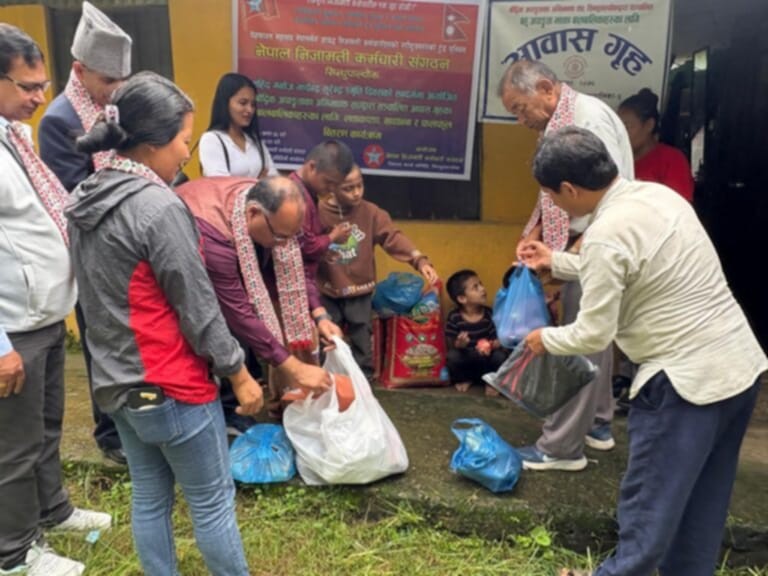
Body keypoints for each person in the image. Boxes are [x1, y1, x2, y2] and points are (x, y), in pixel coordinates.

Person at [521, 126, 767, 576]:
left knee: (647, 517)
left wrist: (544, 339)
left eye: (552, 196)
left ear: (571, 189)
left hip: (684, 385)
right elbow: (632, 264)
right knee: (701, 507)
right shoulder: (657, 198)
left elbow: (593, 334)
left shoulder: (605, 236)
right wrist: (556, 262)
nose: (554, 204)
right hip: (738, 369)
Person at [66, 71, 264, 576]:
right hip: (172, 384)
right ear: (153, 143)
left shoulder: (86, 197)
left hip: (118, 385)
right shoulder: (157, 207)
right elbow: (196, 305)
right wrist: (238, 372)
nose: (185, 153)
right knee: (212, 503)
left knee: (151, 497)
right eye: (182, 141)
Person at [0, 23, 110, 576]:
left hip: (42, 316)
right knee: (13, 449)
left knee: (45, 430)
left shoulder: (14, 136)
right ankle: (14, 555)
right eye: (26, 86)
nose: (39, 97)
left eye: (41, 84)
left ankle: (53, 512)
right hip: (11, 327)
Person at [498, 59, 634, 470]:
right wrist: (537, 233)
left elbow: (594, 199)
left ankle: (560, 447)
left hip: (593, 242)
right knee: (596, 336)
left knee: (580, 337)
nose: (521, 119)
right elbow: (556, 193)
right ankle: (597, 424)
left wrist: (568, 254)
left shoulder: (585, 121)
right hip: (582, 242)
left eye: (520, 108)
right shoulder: (562, 119)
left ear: (545, 87)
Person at [39, 0, 132, 466]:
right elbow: (71, 197)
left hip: (125, 245)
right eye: (108, 80)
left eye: (121, 81)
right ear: (80, 69)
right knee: (100, 342)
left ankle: (132, 420)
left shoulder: (109, 109)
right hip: (92, 248)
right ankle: (109, 431)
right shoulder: (60, 120)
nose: (116, 90)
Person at [175, 175, 338, 423]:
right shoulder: (214, 235)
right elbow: (238, 312)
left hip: (237, 252)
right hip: (185, 285)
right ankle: (225, 412)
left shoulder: (275, 216)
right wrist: (294, 367)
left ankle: (234, 408)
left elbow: (297, 267)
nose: (285, 244)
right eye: (281, 236)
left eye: (291, 237)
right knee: (221, 335)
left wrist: (319, 313)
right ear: (252, 214)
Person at [317, 163, 439, 375]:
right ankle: (327, 380)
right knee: (328, 338)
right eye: (348, 188)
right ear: (331, 188)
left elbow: (393, 237)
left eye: (360, 186)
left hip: (360, 290)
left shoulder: (371, 213)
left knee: (362, 336)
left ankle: (363, 380)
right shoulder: (317, 212)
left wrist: (419, 260)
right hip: (327, 288)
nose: (356, 193)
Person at [618, 88, 694, 202]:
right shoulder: (615, 158)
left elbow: (678, 207)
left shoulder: (671, 160)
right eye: (617, 127)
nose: (620, 134)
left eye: (627, 127)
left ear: (649, 125)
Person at [199, 72, 278, 178]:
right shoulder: (212, 140)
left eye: (253, 105)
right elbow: (222, 187)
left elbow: (273, 180)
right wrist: (258, 183)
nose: (250, 110)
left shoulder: (254, 140)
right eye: (243, 103)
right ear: (225, 103)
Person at [290, 139, 356, 264]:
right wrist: (333, 236)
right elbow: (306, 247)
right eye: (328, 182)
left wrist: (325, 244)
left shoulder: (310, 191)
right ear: (312, 167)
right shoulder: (294, 196)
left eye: (336, 184)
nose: (331, 189)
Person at [444, 270, 507, 394]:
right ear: (462, 298)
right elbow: (451, 345)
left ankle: (491, 382)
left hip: (486, 360)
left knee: (500, 356)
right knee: (453, 356)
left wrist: (494, 344)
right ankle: (464, 379)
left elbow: (495, 337)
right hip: (467, 360)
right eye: (475, 287)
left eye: (481, 284)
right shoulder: (454, 317)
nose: (482, 289)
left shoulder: (489, 314)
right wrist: (460, 344)